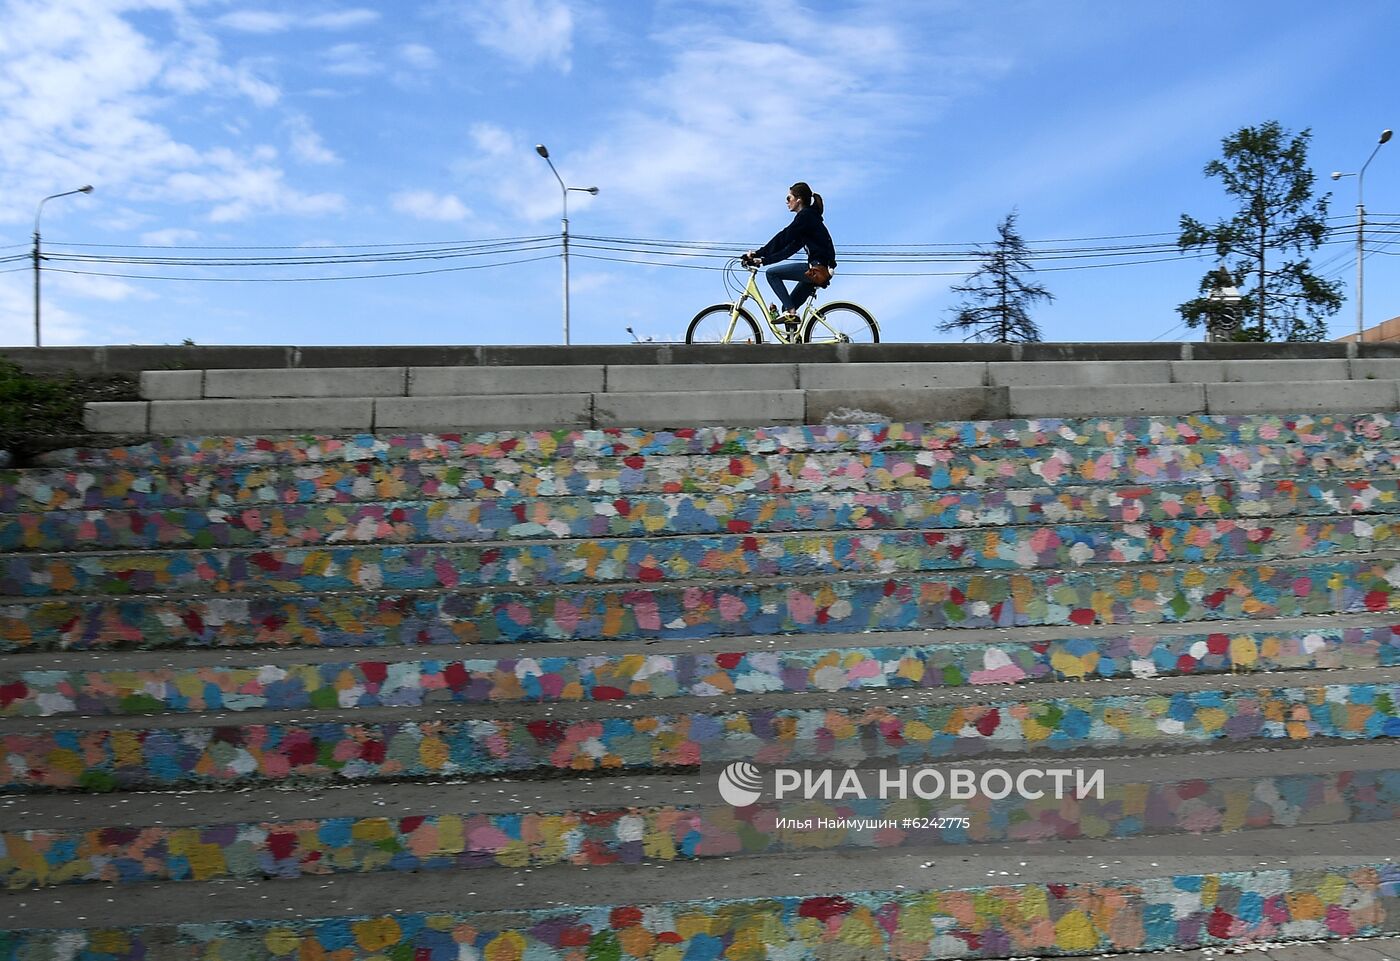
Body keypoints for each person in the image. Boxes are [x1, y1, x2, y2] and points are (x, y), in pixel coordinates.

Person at [742, 182, 836, 327]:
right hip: (819, 269)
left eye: (788, 198)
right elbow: (788, 249)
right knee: (786, 307)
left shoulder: (805, 216)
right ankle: (794, 344)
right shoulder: (808, 220)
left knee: (772, 274)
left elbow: (783, 237)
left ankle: (792, 312)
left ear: (798, 199)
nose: (787, 202)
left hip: (817, 269)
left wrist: (759, 253)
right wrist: (763, 259)